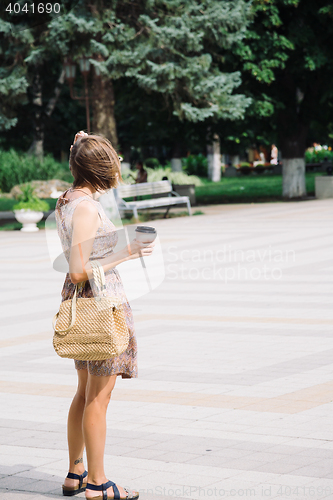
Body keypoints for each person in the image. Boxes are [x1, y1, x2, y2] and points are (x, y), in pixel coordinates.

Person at [55, 131, 155, 500]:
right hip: (100, 304)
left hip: (84, 303)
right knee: (99, 396)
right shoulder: (86, 207)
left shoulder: (69, 198)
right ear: (101, 169)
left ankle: (75, 471)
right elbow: (80, 268)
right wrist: (128, 251)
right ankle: (98, 484)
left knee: (84, 392)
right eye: (112, 164)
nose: (117, 170)